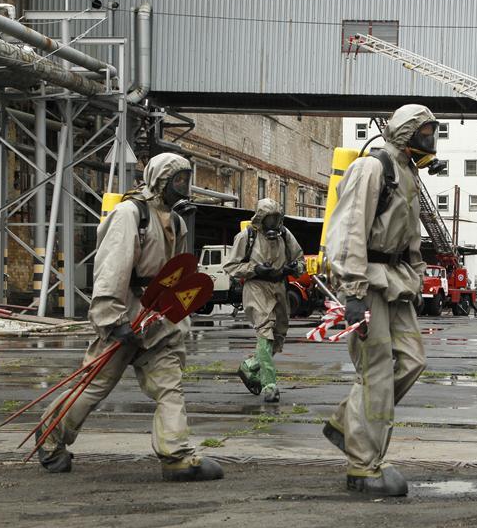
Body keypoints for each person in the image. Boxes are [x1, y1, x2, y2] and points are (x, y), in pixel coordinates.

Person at [36, 153, 224, 482]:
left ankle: (176, 456)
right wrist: (111, 318)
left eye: (186, 179)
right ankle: (50, 437)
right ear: (160, 179)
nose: (184, 186)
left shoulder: (176, 221)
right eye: (178, 180)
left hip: (157, 321)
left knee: (170, 387)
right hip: (125, 316)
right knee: (93, 387)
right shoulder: (129, 214)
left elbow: (176, 275)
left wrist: (176, 318)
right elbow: (112, 267)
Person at [323, 104, 436, 496]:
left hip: (397, 282)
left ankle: (346, 423)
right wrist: (353, 292)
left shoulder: (407, 172)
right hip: (368, 280)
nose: (431, 138)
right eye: (426, 131)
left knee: (412, 361)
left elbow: (410, 236)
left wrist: (418, 278)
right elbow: (349, 229)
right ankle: (363, 466)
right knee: (376, 374)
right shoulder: (372, 168)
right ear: (407, 133)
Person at [224, 198, 305, 403]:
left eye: (277, 219)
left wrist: (293, 268)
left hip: (279, 287)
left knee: (278, 336)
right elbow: (231, 266)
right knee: (265, 332)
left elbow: (300, 259)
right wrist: (254, 269)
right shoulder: (247, 236)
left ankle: (249, 366)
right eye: (270, 220)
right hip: (256, 287)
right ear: (261, 219)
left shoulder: (285, 235)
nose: (274, 224)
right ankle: (270, 386)